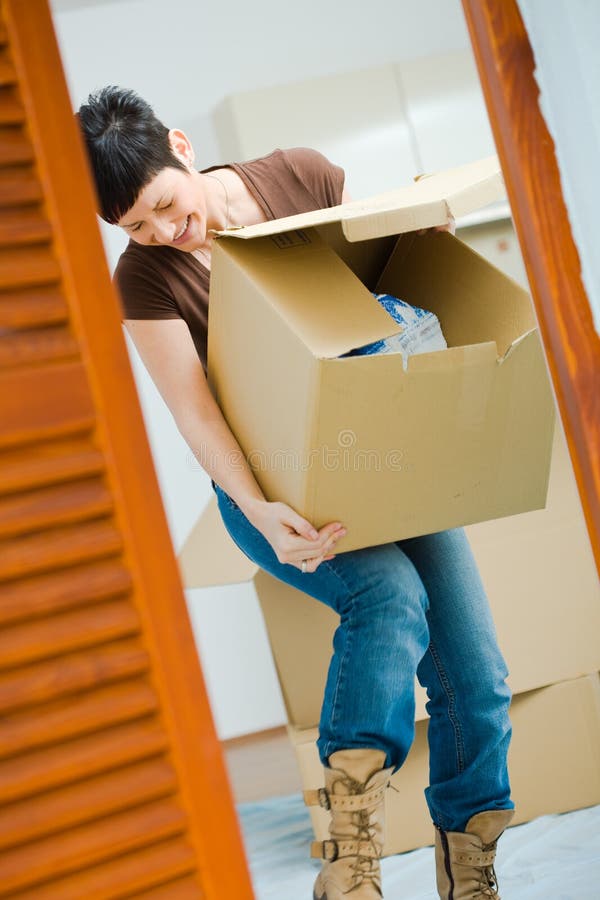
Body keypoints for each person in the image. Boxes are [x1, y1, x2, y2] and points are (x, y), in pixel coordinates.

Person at [77, 85, 515, 900]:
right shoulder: (144, 280)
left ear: (180, 146)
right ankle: (351, 864)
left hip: (384, 461)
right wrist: (259, 511)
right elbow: (194, 412)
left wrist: (430, 241)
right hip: (269, 487)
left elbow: (389, 297)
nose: (165, 233)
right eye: (136, 227)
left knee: (477, 676)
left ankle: (472, 871)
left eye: (166, 207)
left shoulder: (302, 178)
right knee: (388, 599)